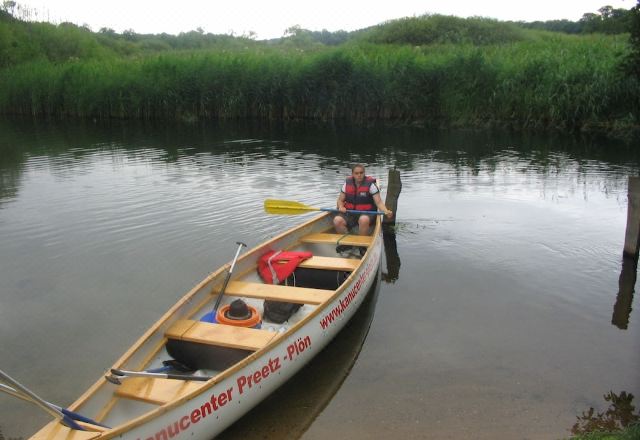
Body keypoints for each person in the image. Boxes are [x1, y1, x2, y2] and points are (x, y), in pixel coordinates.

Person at [333, 164, 393, 236]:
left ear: (364, 173)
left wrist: (386, 211)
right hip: (350, 212)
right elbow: (340, 200)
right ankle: (346, 242)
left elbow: (379, 202)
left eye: (361, 173)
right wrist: (340, 206)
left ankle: (361, 245)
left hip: (367, 212)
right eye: (356, 173)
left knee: (363, 220)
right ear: (352, 174)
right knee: (337, 220)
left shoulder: (371, 185)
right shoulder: (347, 184)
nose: (359, 175)